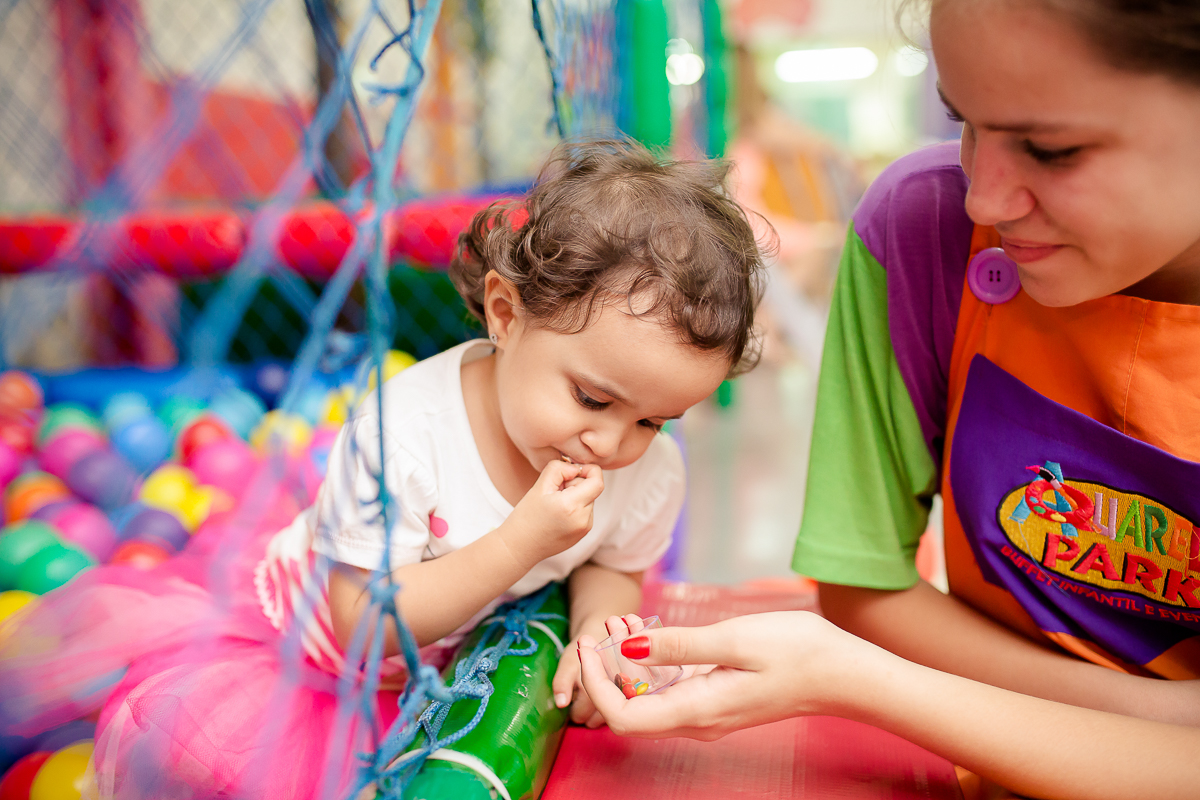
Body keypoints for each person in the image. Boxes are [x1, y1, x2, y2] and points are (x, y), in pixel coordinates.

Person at [0, 139, 765, 798]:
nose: (613, 442)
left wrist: (599, 626)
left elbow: (612, 560)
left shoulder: (648, 467)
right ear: (505, 315)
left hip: (440, 668)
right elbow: (363, 625)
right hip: (314, 663)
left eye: (654, 419)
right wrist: (521, 542)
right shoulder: (404, 434)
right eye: (592, 397)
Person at [577, 2, 1200, 798]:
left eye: (1052, 149)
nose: (986, 199)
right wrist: (1168, 716)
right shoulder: (924, 230)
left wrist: (869, 680)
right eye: (963, 119)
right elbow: (866, 589)